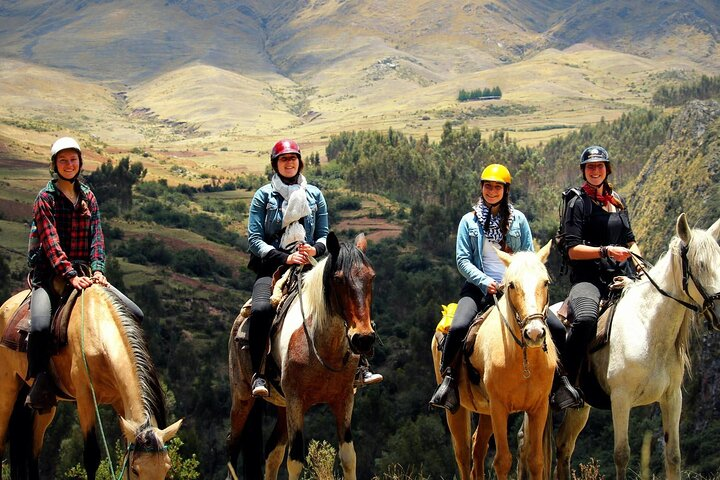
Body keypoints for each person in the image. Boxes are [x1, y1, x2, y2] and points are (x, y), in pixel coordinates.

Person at [246, 139, 382, 397]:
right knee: (262, 309)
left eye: (293, 159)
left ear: (299, 162)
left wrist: (314, 250)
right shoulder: (263, 196)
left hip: (310, 264)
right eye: (284, 159)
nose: (289, 163)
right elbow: (254, 239)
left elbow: (322, 234)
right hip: (273, 266)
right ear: (276, 164)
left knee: (349, 297)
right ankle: (258, 374)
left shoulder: (315, 195)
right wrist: (283, 257)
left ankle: (360, 365)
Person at [429, 164, 562, 412]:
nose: (492, 191)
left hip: (516, 291)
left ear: (505, 190)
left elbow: (529, 258)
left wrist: (522, 283)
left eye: (497, 187)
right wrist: (484, 281)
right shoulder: (468, 221)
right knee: (458, 327)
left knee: (556, 327)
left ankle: (561, 382)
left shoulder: (518, 220)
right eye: (488, 186)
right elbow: (462, 260)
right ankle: (448, 382)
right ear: (482, 188)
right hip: (480, 289)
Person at [26, 136, 144, 411]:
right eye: (63, 160)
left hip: (87, 274)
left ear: (80, 163)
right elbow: (51, 242)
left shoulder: (88, 196)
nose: (69, 165)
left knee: (135, 315)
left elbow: (97, 238)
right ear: (55, 165)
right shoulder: (45, 198)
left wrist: (99, 270)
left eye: (73, 160)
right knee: (41, 326)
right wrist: (69, 275)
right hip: (51, 274)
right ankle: (40, 380)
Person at [550, 145, 642, 410]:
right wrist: (604, 250)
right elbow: (572, 249)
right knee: (586, 319)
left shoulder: (617, 201)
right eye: (590, 167)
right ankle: (563, 382)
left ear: (607, 169)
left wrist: (639, 262)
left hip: (622, 277)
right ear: (584, 171)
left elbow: (630, 240)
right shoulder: (576, 201)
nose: (595, 171)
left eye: (600, 166)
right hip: (588, 280)